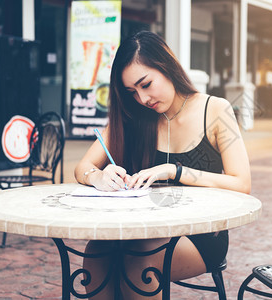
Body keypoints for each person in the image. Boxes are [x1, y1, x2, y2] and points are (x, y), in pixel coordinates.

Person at [74, 31, 251, 299]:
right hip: (143, 228)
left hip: (200, 235)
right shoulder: (135, 116)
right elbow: (83, 166)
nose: (143, 99)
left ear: (166, 66)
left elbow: (242, 184)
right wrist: (96, 175)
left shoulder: (215, 110)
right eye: (132, 92)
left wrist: (175, 171)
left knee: (139, 261)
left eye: (146, 84)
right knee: (96, 253)